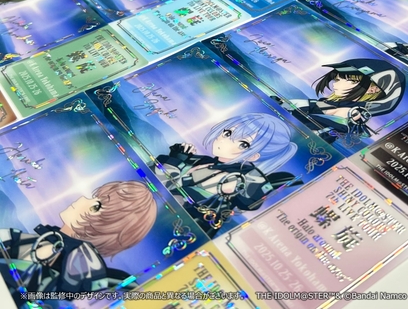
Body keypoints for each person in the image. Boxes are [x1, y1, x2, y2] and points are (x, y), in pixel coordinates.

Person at [0, 180, 157, 304]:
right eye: (94, 198)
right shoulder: (49, 240)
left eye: (96, 206)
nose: (82, 199)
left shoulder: (79, 263)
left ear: (108, 228)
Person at [152, 113, 300, 236]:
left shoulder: (240, 179)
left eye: (243, 144)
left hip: (173, 227)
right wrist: (178, 157)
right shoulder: (203, 161)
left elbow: (168, 190)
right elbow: (155, 178)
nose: (224, 140)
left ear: (253, 156)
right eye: (228, 133)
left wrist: (176, 160)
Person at [276, 59, 405, 145]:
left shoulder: (349, 119)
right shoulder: (328, 105)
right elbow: (299, 106)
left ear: (373, 89)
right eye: (336, 79)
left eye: (344, 80)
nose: (335, 84)